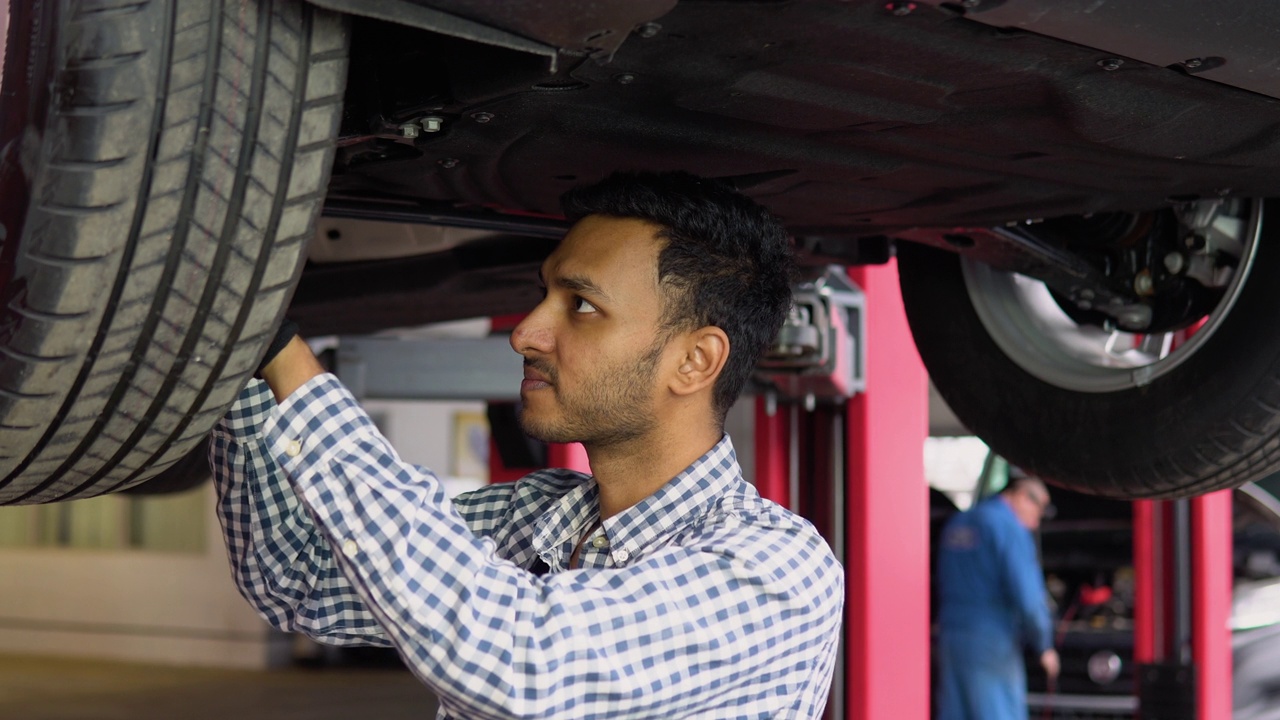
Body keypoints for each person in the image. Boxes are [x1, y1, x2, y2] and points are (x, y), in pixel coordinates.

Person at [209, 171, 845, 719]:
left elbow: (521, 670)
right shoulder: (539, 517)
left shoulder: (776, 568)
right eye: (543, 294)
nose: (526, 333)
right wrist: (238, 353)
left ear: (694, 360)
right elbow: (299, 575)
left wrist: (292, 363)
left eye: (582, 306)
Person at [935, 472, 1060, 720]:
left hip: (951, 637)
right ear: (1022, 495)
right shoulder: (1009, 528)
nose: (1036, 523)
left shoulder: (958, 523)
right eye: (1038, 511)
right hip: (992, 642)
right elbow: (1029, 597)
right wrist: (1043, 644)